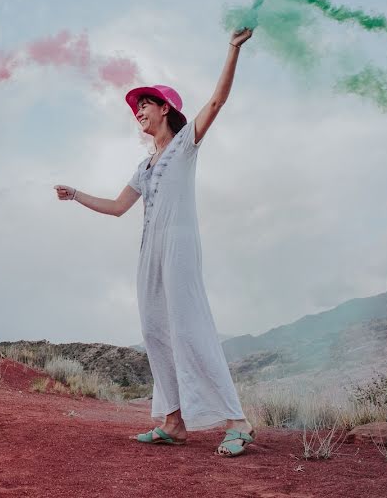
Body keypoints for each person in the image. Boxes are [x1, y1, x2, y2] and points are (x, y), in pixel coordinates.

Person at [54, 29, 256, 456]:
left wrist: (232, 49)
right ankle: (174, 422)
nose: (138, 112)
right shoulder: (145, 165)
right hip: (150, 251)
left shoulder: (185, 144)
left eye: (144, 104)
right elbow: (115, 207)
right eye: (137, 107)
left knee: (188, 326)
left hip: (180, 246)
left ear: (165, 109)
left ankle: (236, 421)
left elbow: (217, 101)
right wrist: (75, 194)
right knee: (155, 330)